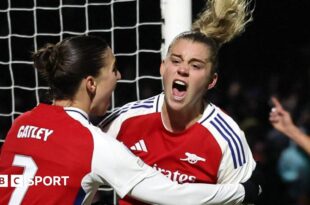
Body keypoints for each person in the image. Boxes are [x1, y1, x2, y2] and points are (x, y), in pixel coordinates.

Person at [0, 35, 260, 205]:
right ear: (91, 84)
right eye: (113, 69)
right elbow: (171, 194)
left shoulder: (21, 123)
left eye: (195, 65)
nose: (120, 76)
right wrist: (243, 191)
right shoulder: (98, 142)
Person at [99, 0, 261, 205]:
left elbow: (246, 195)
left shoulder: (227, 137)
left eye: (195, 65)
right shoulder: (126, 119)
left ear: (211, 81)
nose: (183, 70)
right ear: (162, 68)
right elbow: (79, 162)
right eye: (176, 61)